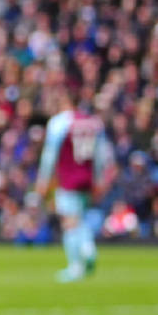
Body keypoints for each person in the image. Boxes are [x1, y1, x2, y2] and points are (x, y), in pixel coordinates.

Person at [37, 93, 115, 282]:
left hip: (69, 177)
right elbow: (102, 154)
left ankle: (78, 262)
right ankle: (87, 248)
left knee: (69, 222)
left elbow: (50, 154)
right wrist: (99, 180)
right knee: (80, 218)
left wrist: (43, 179)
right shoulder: (94, 123)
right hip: (87, 178)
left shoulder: (60, 123)